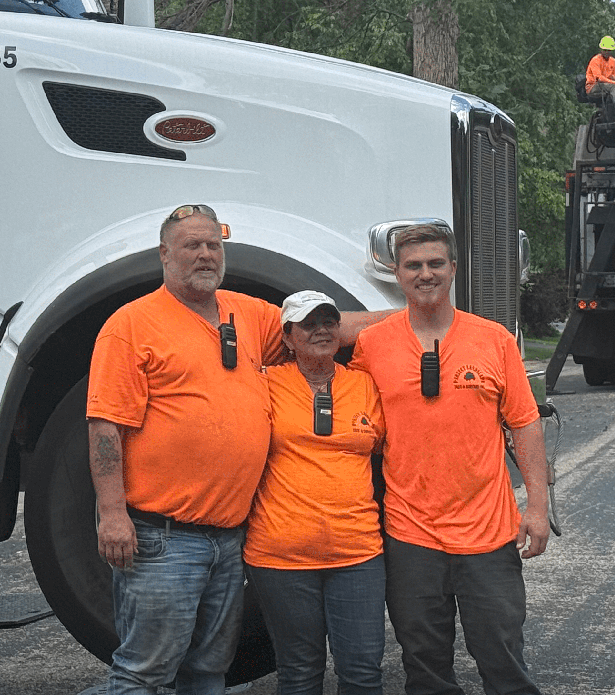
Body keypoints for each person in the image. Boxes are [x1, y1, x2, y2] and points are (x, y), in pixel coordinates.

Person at [86, 204, 388, 695]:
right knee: (144, 672)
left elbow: (329, 329)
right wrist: (112, 514)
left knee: (209, 672)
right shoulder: (132, 325)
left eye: (213, 244)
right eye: (192, 245)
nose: (205, 254)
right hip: (164, 537)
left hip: (227, 540)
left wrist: (420, 317)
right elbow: (106, 425)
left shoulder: (244, 312)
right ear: (164, 254)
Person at [350, 223, 551, 695]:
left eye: (436, 263)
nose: (425, 274)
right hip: (411, 534)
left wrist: (538, 509)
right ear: (397, 274)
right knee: (425, 668)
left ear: (454, 269)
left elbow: (525, 424)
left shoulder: (494, 340)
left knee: (503, 660)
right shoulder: (372, 345)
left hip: (489, 534)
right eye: (413, 266)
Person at [245, 290, 388, 695]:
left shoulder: (364, 385)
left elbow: (391, 451)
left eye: (328, 322)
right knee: (299, 673)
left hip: (357, 554)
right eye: (308, 324)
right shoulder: (264, 383)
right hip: (280, 557)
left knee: (362, 673)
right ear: (287, 338)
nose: (321, 330)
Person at [584, 35, 615, 113]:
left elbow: (612, 77)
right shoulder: (595, 60)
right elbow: (599, 78)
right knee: (613, 87)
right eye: (605, 50)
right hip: (593, 86)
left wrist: (613, 79)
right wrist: (613, 82)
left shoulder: (613, 61)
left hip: (607, 85)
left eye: (609, 50)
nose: (606, 52)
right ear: (601, 50)